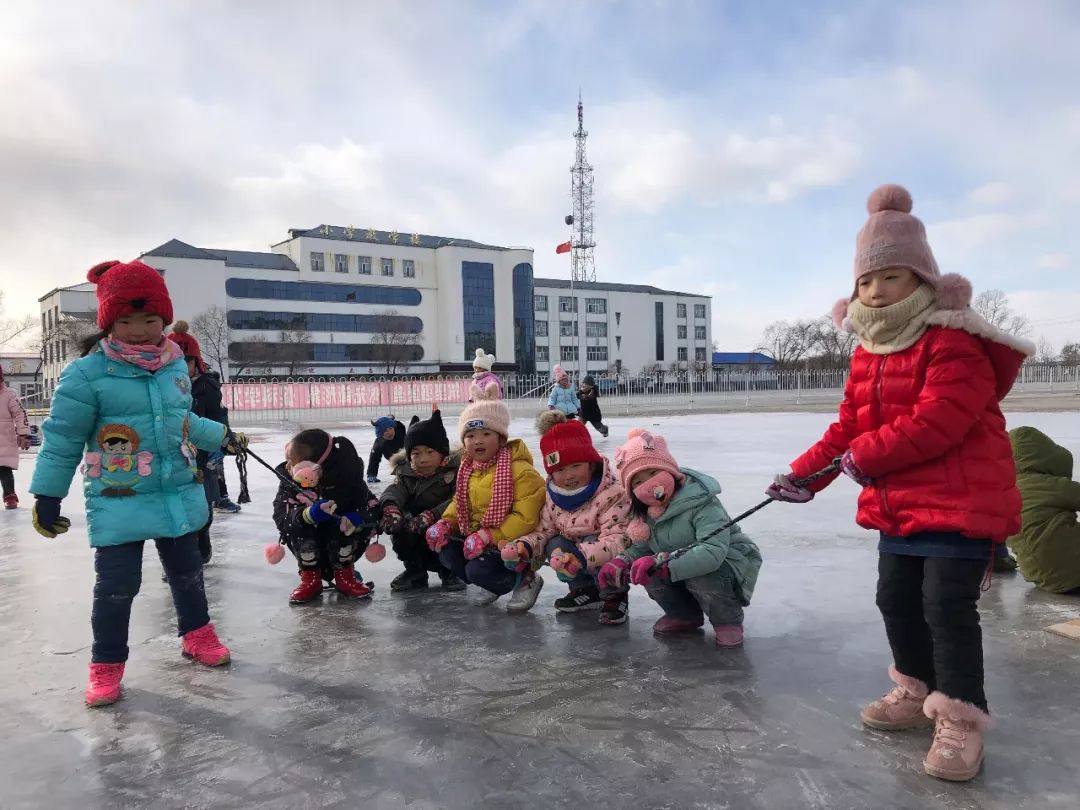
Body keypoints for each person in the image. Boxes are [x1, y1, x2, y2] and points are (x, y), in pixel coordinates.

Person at [765, 184, 1033, 782]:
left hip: (963, 502)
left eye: (891, 276)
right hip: (900, 510)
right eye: (866, 280)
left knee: (946, 607)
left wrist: (868, 455)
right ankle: (916, 690)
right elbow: (849, 429)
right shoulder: (868, 353)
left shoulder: (952, 340)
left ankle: (961, 717)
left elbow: (941, 419)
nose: (877, 290)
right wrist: (805, 475)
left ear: (923, 280)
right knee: (896, 601)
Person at [29, 259, 245, 707]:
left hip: (177, 491)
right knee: (116, 586)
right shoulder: (86, 375)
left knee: (188, 574)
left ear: (163, 318)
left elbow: (179, 421)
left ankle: (196, 634)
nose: (140, 329)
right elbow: (62, 437)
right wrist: (47, 494)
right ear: (109, 322)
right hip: (120, 494)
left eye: (149, 319)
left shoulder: (173, 366)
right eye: (126, 321)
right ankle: (106, 664)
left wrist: (222, 436)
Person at [599, 429, 761, 647]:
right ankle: (684, 615)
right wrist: (622, 560)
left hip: (725, 562)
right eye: (637, 482)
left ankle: (727, 621)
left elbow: (712, 551)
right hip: (677, 561)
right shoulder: (645, 512)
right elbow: (644, 548)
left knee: (702, 576)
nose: (648, 484)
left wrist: (666, 565)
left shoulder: (702, 502)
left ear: (670, 469)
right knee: (647, 570)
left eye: (652, 472)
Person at [425, 382, 546, 612]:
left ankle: (525, 580)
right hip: (481, 540)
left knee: (475, 570)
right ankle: (490, 582)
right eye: (470, 435)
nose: (477, 440)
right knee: (448, 552)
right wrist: (445, 523)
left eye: (486, 433)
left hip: (515, 544)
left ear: (501, 438)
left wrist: (489, 535)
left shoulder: (519, 470)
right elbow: (460, 504)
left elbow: (527, 518)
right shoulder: (468, 469)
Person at [505, 411, 631, 624]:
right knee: (554, 543)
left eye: (576, 466)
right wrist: (523, 547)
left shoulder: (612, 492)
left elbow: (619, 539)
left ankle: (615, 595)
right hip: (574, 557)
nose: (569, 475)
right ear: (551, 473)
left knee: (594, 545)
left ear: (591, 463)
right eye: (560, 469)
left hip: (604, 552)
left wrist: (581, 557)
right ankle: (584, 590)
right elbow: (543, 530)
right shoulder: (554, 495)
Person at [272, 429, 380, 604]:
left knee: (343, 531)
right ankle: (310, 579)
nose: (287, 466)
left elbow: (373, 508)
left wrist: (359, 518)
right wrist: (307, 515)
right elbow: (281, 517)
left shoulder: (348, 480)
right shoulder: (290, 483)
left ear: (312, 467)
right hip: (309, 547)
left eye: (292, 462)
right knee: (302, 532)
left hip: (341, 545)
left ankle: (345, 575)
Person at [379, 408, 465, 592]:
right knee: (400, 526)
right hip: (416, 529)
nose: (423, 459)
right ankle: (415, 571)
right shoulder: (406, 474)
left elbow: (458, 500)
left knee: (454, 528)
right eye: (416, 453)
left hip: (446, 526)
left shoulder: (457, 471)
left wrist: (433, 516)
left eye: (430, 452)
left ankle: (450, 570)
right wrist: (390, 507)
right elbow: (395, 490)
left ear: (442, 453)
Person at [1006, 426, 1080, 594]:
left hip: (1042, 577)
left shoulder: (1004, 492)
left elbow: (991, 539)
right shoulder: (1049, 485)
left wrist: (1002, 564)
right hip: (1075, 572)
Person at [184, 346, 228, 563]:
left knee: (204, 502)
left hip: (203, 452)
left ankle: (202, 537)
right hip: (177, 456)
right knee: (178, 505)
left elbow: (219, 416)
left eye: (187, 361)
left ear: (196, 363)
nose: (182, 367)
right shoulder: (163, 384)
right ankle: (180, 555)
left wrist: (219, 445)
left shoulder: (207, 386)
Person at [1, 366, 31, 509]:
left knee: (4, 467)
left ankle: (10, 495)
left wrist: (23, 433)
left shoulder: (8, 394)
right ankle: (10, 495)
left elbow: (19, 414)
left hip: (4, 437)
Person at [367, 414, 406, 484]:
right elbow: (374, 460)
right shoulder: (379, 443)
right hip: (392, 457)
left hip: (405, 455)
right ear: (380, 433)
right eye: (385, 431)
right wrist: (371, 475)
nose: (390, 432)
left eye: (391, 428)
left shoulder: (400, 432)